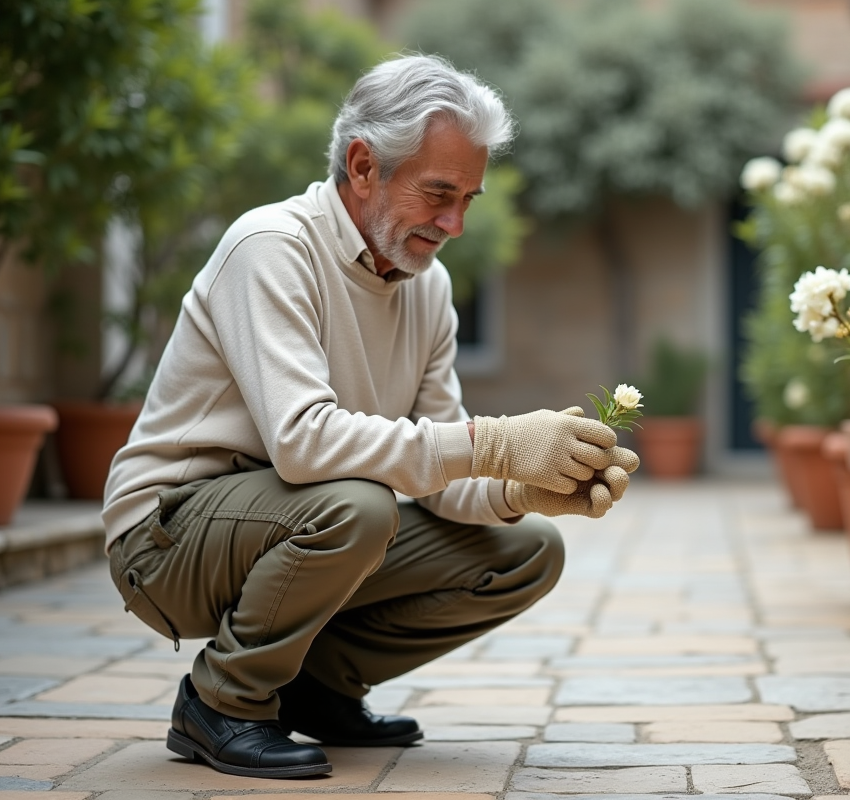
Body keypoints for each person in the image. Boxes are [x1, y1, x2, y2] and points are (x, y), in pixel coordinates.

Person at [102, 54, 638, 779]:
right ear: (362, 166)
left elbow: (445, 478)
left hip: (297, 519)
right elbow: (303, 444)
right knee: (357, 506)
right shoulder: (272, 248)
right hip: (166, 539)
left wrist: (521, 489)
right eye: (438, 193)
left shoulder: (427, 288)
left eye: (468, 199)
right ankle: (222, 701)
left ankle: (317, 687)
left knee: (526, 550)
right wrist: (499, 442)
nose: (454, 223)